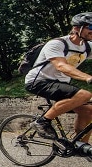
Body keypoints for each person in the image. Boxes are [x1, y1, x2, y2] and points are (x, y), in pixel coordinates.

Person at [25, 12, 92, 142]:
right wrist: (88, 77)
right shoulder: (57, 44)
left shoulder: (87, 47)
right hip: (39, 81)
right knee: (84, 94)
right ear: (77, 28)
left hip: (60, 84)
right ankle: (42, 121)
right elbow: (61, 66)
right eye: (91, 27)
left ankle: (81, 146)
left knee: (89, 110)